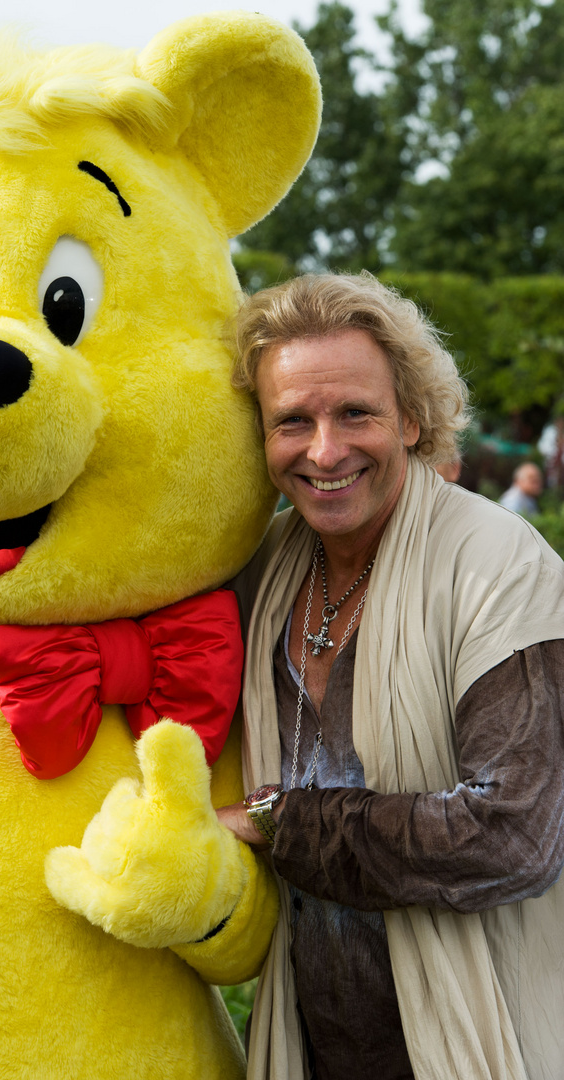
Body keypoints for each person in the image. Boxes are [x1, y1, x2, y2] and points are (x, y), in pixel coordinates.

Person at [216, 272, 564, 1080]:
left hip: (477, 1041)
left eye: (355, 413)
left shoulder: (497, 566)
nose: (325, 450)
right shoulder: (261, 566)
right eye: (291, 421)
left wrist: (279, 823)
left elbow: (515, 835)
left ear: (411, 416)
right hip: (311, 1041)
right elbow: (123, 644)